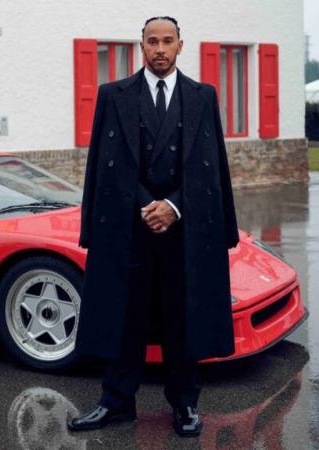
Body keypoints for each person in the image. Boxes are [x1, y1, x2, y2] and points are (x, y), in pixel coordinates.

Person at [68, 16, 239, 437]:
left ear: (181, 45)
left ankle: (184, 405)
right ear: (140, 46)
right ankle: (116, 403)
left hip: (184, 232)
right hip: (129, 229)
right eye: (152, 42)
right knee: (125, 317)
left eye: (167, 41)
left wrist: (174, 207)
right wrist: (148, 205)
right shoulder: (113, 95)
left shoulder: (203, 96)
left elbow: (210, 166)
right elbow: (104, 169)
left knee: (183, 316)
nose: (159, 49)